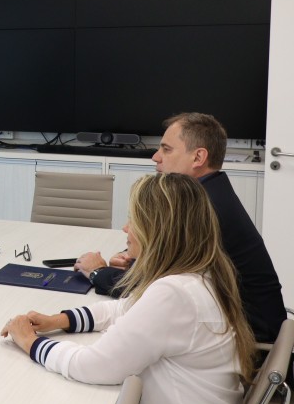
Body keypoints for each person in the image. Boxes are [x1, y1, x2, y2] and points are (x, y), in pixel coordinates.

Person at [2, 172, 256, 404]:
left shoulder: (175, 294)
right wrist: (58, 320)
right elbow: (125, 307)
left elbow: (95, 366)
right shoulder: (199, 274)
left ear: (155, 231)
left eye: (132, 220)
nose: (125, 228)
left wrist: (30, 341)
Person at [74, 112, 286, 343]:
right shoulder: (211, 193)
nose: (156, 157)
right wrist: (136, 259)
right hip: (242, 327)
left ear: (198, 157)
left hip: (247, 343)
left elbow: (155, 292)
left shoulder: (203, 210)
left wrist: (97, 272)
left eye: (166, 149)